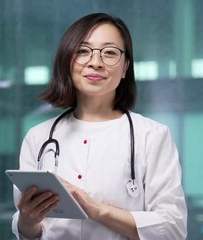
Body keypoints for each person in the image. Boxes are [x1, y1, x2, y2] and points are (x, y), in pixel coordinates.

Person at [11, 13, 187, 239]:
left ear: (125, 68)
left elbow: (173, 229)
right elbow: (27, 231)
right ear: (67, 61)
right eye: (83, 51)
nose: (96, 62)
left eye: (110, 53)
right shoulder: (39, 137)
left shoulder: (152, 135)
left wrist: (98, 210)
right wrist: (27, 220)